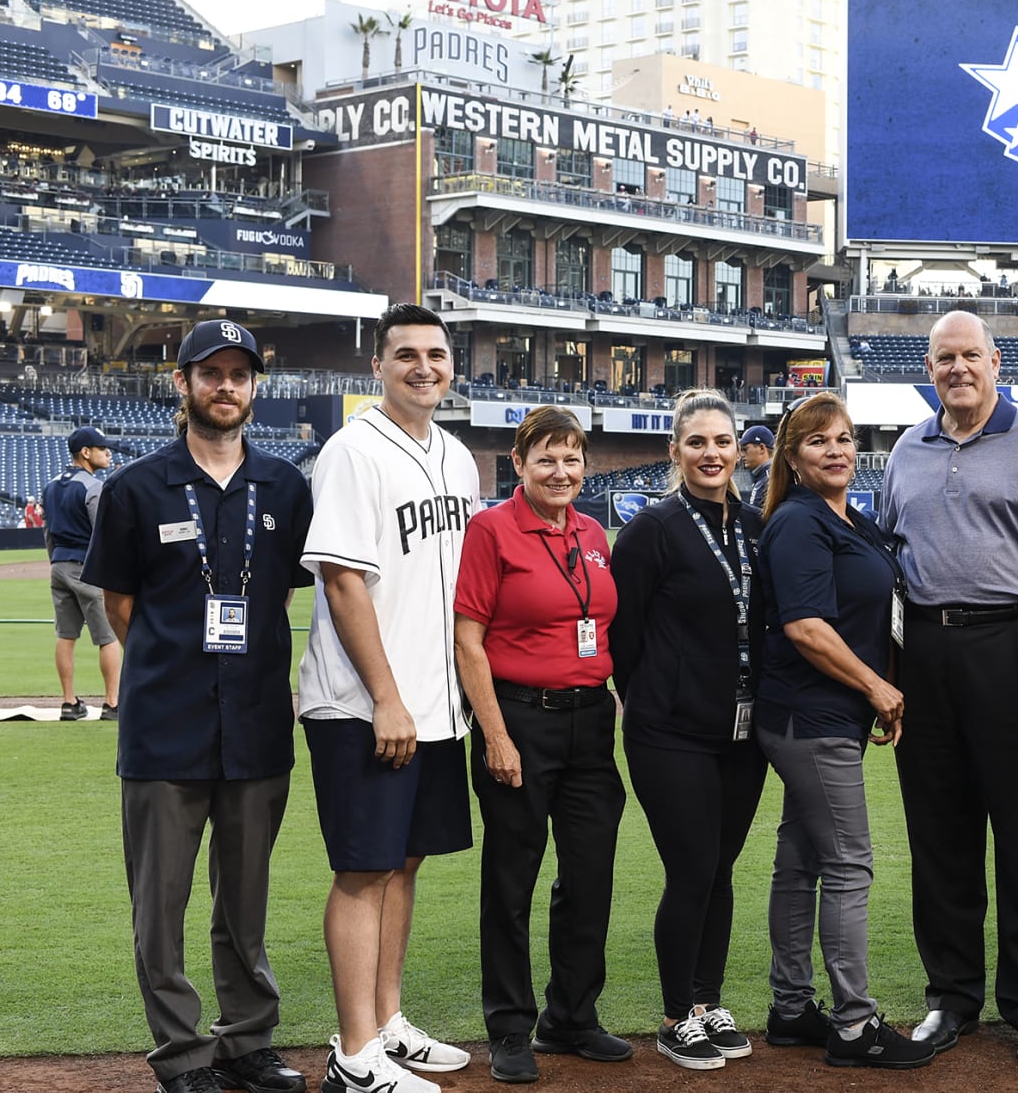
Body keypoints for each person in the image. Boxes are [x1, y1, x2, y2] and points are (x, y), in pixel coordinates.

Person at [81, 319, 314, 1093]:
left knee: (245, 903)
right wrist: (178, 664)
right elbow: (120, 606)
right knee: (162, 906)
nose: (225, 387)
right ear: (180, 384)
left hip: (254, 724)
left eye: (239, 375)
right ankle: (180, 1057)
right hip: (164, 728)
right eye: (208, 373)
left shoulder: (285, 485)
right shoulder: (135, 487)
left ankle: (247, 1041)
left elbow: (279, 592)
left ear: (254, 388)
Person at [880, 311, 1018, 1067]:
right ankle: (950, 998)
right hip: (929, 653)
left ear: (996, 361)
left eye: (971, 354)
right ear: (930, 366)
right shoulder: (908, 448)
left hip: (1016, 644)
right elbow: (889, 566)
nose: (958, 368)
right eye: (945, 357)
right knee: (939, 834)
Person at [298, 304, 481, 1093]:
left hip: (437, 708)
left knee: (403, 867)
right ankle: (352, 1053)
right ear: (379, 366)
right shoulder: (350, 452)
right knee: (364, 872)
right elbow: (344, 582)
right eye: (405, 354)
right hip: (364, 708)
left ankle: (386, 1023)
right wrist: (387, 697)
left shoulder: (460, 458)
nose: (423, 367)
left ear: (451, 365)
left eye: (435, 354)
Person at [756, 391, 937, 1070]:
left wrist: (873, 694)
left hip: (827, 717)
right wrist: (877, 687)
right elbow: (806, 627)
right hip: (811, 717)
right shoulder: (800, 522)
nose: (836, 450)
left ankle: (790, 1007)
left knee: (801, 863)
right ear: (793, 458)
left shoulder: (848, 519)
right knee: (850, 866)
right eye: (817, 441)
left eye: (843, 437)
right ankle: (856, 1026)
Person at [454, 406, 632, 1083]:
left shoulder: (591, 532)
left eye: (573, 459)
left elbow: (597, 622)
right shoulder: (491, 529)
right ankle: (508, 1026)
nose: (562, 472)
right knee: (511, 878)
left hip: (591, 724)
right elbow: (468, 639)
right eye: (547, 460)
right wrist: (495, 734)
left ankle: (572, 1017)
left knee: (589, 876)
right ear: (519, 464)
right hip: (519, 721)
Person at [609, 390, 773, 1071]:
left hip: (744, 731)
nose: (712, 454)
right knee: (692, 868)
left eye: (722, 442)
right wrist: (650, 700)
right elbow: (624, 633)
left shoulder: (758, 526)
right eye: (697, 442)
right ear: (676, 451)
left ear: (738, 450)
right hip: (671, 733)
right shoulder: (654, 528)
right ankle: (678, 1015)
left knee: (722, 869)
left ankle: (707, 1002)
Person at [44, 425, 123, 721]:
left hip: (59, 565)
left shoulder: (51, 485)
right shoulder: (93, 487)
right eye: (103, 449)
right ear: (86, 453)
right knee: (109, 636)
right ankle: (112, 704)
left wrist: (55, 561)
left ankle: (68, 703)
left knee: (66, 635)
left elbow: (48, 531)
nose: (108, 453)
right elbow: (103, 533)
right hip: (87, 567)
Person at [737, 424, 775, 510]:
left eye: (745, 449)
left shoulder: (770, 479)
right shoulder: (766, 476)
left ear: (761, 448)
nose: (742, 455)